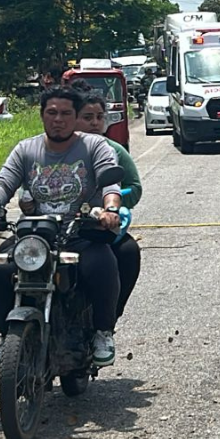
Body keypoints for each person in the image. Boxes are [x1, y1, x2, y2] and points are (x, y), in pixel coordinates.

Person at [0, 87, 124, 370]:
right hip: (34, 235)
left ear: (74, 117)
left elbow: (111, 183)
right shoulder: (26, 149)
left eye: (66, 113)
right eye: (52, 113)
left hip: (80, 231)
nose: (58, 119)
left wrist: (111, 209)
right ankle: (6, 336)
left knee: (103, 262)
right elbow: (3, 183)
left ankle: (102, 333)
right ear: (42, 115)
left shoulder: (95, 146)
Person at [72, 87, 142, 320]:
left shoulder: (115, 151)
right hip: (56, 226)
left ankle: (109, 319)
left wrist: (109, 204)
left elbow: (135, 188)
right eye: (87, 117)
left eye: (99, 117)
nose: (94, 123)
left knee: (128, 251)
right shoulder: (52, 149)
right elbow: (28, 189)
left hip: (95, 226)